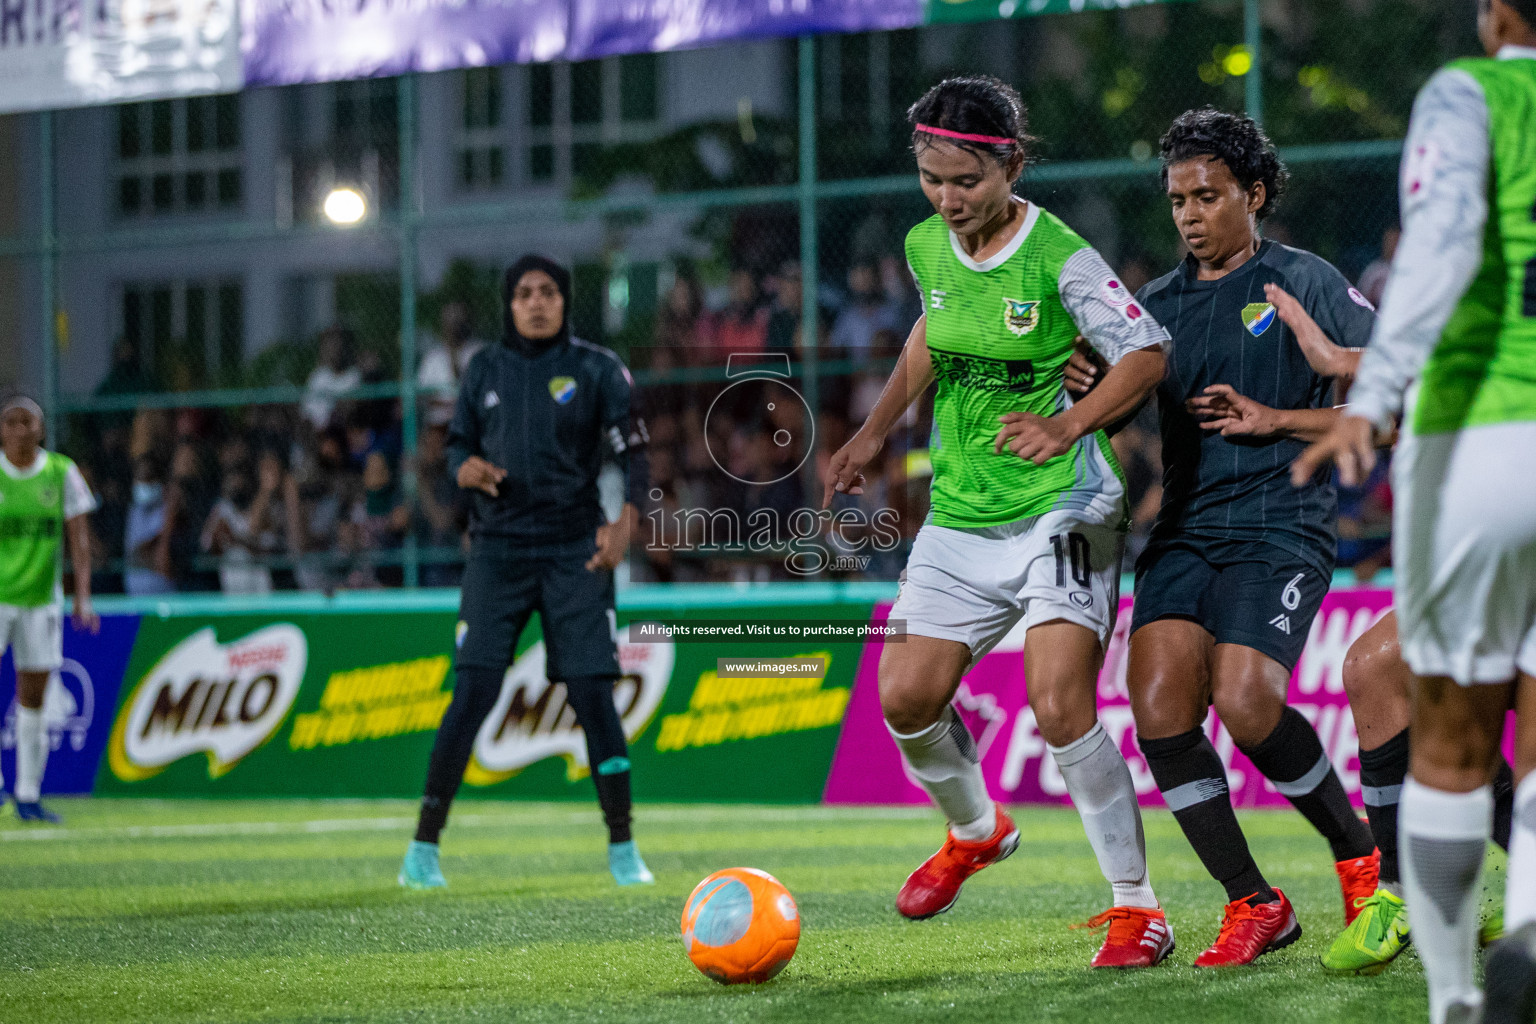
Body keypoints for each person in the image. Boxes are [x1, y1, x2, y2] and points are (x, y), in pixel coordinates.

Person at [823, 76, 1174, 969]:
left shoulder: (1059, 257)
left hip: (1067, 503)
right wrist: (871, 434)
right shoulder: (925, 245)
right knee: (904, 696)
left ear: (1009, 165)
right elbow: (929, 336)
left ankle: (1139, 908)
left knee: (1059, 704)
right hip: (961, 513)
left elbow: (1147, 351)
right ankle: (975, 830)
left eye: (966, 183)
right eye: (933, 180)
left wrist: (1066, 423)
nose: (948, 200)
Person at [1294, 4, 1536, 1018]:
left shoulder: (1472, 91)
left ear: (1497, 12)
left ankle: (1453, 999)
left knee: (1448, 737)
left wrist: (1376, 392)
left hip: (1485, 432)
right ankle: (1525, 946)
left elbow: (1438, 244)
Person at [1118, 108, 1380, 967]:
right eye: (1178, 200)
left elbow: (1391, 399)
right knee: (1158, 709)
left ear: (1254, 195)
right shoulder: (1153, 310)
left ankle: (1360, 857)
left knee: (1248, 703)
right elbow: (1120, 416)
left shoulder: (1305, 282)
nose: (1190, 215)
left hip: (1281, 525)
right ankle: (1255, 902)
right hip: (1185, 532)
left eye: (1209, 196)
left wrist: (1277, 420)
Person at [400, 254, 652, 890]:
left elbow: (637, 452)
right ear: (508, 304)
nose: (536, 303)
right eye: (523, 294)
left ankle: (624, 848)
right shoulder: (483, 367)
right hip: (497, 552)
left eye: (547, 292)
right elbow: (456, 444)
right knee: (474, 692)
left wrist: (625, 524)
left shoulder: (598, 368)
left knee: (594, 695)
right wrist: (464, 467)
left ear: (565, 301)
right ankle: (422, 850)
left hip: (576, 552)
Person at [0, 395, 98, 822]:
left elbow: (79, 541)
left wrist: (82, 595)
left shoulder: (61, 472)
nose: (20, 430)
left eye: (28, 422)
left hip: (41, 601)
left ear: (41, 429)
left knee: (34, 697)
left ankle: (27, 793)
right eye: (11, 422)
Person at [418, 299, 486, 429]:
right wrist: (450, 407)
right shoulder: (433, 357)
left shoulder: (479, 352)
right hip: (440, 423)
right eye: (449, 319)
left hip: (472, 420)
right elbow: (423, 395)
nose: (454, 324)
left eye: (458, 318)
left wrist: (462, 407)